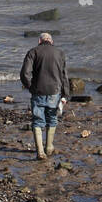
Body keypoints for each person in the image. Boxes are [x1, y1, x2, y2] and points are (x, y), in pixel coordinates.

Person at [20, 31, 71, 160]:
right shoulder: (60, 53)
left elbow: (25, 74)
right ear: (51, 41)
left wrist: (30, 87)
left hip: (38, 91)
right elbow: (64, 76)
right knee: (52, 119)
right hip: (55, 91)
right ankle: (49, 147)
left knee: (37, 121)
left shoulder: (33, 52)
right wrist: (66, 94)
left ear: (39, 41)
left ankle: (40, 152)